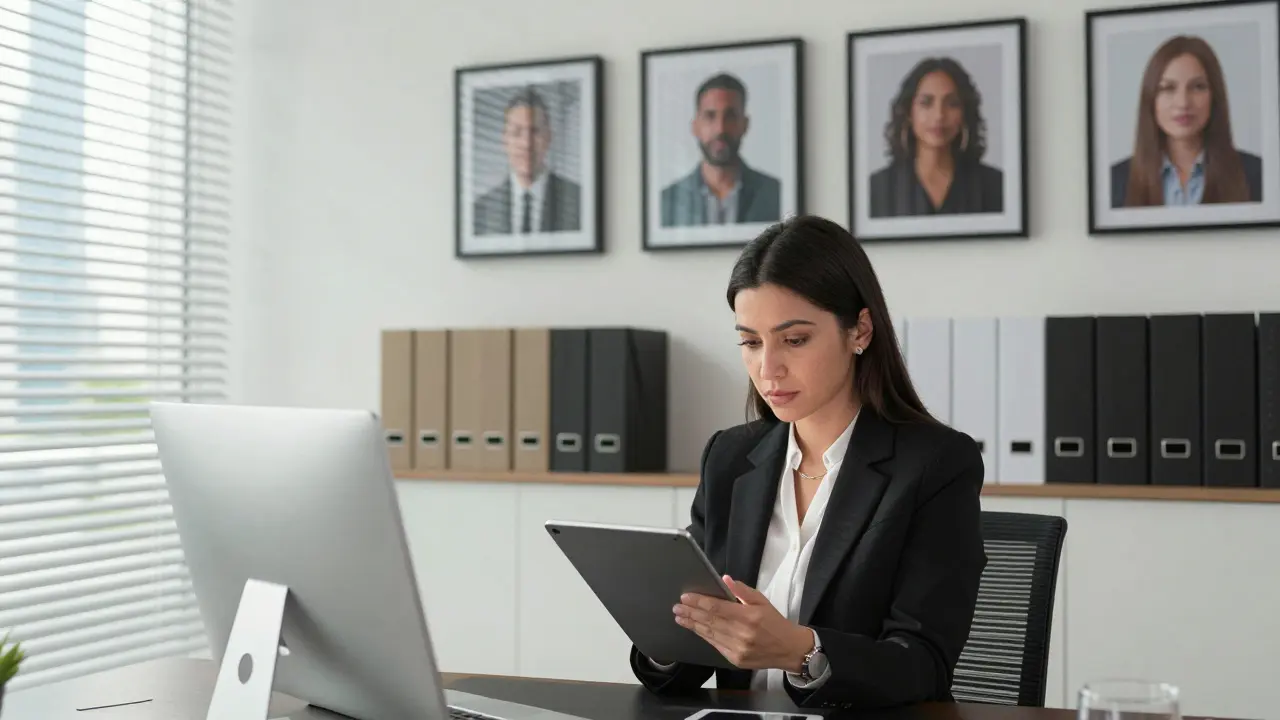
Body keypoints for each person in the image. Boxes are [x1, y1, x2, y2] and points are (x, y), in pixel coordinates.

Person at [628, 214, 986, 711]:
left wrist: (803, 652)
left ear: (859, 330)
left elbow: (922, 663)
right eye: (751, 342)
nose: (767, 369)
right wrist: (666, 638)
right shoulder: (730, 459)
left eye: (794, 340)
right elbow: (692, 654)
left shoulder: (936, 464)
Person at [1110, 35, 1262, 208]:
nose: (1183, 103)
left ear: (1215, 96)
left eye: (1197, 87)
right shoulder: (1113, 181)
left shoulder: (1258, 174)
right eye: (1168, 88)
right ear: (1151, 98)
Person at [868, 57, 1004, 217]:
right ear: (908, 112)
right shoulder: (878, 187)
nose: (939, 115)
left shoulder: (995, 184)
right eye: (926, 103)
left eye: (952, 103)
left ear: (964, 113)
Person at [660, 72, 782, 227]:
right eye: (710, 116)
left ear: (745, 124)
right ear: (695, 126)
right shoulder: (667, 202)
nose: (720, 129)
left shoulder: (775, 195)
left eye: (730, 116)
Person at [473, 87, 581, 235]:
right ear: (505, 140)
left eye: (535, 131)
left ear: (548, 137)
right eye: (517, 133)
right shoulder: (480, 210)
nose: (526, 144)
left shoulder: (579, 202)